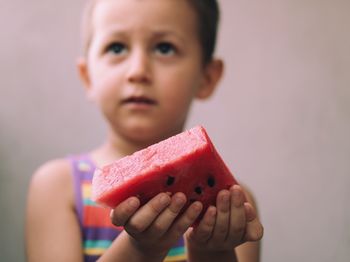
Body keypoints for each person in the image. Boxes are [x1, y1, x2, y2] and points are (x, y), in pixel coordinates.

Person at [25, 0, 264, 261]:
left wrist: (213, 251)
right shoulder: (58, 188)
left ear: (207, 77)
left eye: (164, 48)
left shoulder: (233, 202)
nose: (138, 71)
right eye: (116, 47)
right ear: (87, 77)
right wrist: (140, 249)